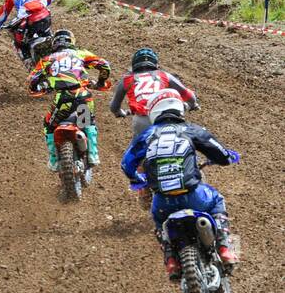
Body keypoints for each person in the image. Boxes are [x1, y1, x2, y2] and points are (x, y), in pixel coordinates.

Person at [121, 89, 239, 278]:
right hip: (194, 195)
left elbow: (126, 164)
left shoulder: (146, 136)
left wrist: (137, 179)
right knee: (217, 200)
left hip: (162, 202)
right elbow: (219, 153)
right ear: (179, 109)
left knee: (161, 225)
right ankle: (225, 246)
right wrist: (227, 157)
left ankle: (171, 261)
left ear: (154, 112)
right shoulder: (190, 129)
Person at [27, 29, 111, 169]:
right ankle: (93, 155)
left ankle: (54, 160)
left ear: (54, 44)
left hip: (63, 98)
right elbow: (104, 66)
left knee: (49, 125)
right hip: (83, 95)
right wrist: (101, 82)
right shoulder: (80, 54)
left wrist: (39, 87)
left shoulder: (47, 60)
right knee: (88, 122)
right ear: (71, 41)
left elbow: (32, 79)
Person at [109, 48, 198, 139]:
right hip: (165, 116)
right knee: (180, 143)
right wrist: (191, 105)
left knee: (137, 149)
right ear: (155, 64)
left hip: (142, 119)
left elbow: (114, 107)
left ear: (134, 65)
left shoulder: (126, 80)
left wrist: (119, 112)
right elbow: (190, 96)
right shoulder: (164, 75)